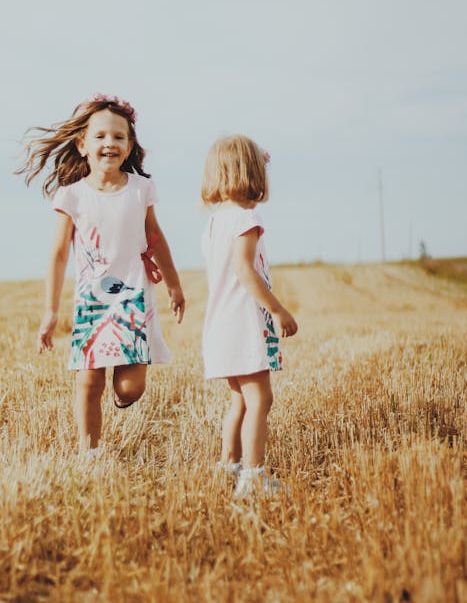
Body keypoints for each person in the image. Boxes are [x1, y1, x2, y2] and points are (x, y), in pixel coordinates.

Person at [17, 93, 185, 455]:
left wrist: (174, 284)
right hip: (92, 302)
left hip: (134, 299)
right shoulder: (72, 196)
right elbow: (59, 253)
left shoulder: (141, 189)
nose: (110, 142)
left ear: (129, 146)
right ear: (82, 145)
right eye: (100, 136)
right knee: (88, 383)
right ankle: (89, 453)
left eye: (119, 136)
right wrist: (50, 312)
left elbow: (156, 238)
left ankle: (122, 396)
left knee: (129, 389)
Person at [201, 134, 298, 496]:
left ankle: (229, 466)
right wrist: (277, 308)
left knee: (239, 398)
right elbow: (245, 270)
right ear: (252, 172)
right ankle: (254, 477)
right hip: (243, 324)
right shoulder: (246, 219)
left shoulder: (214, 223)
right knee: (260, 399)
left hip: (220, 325)